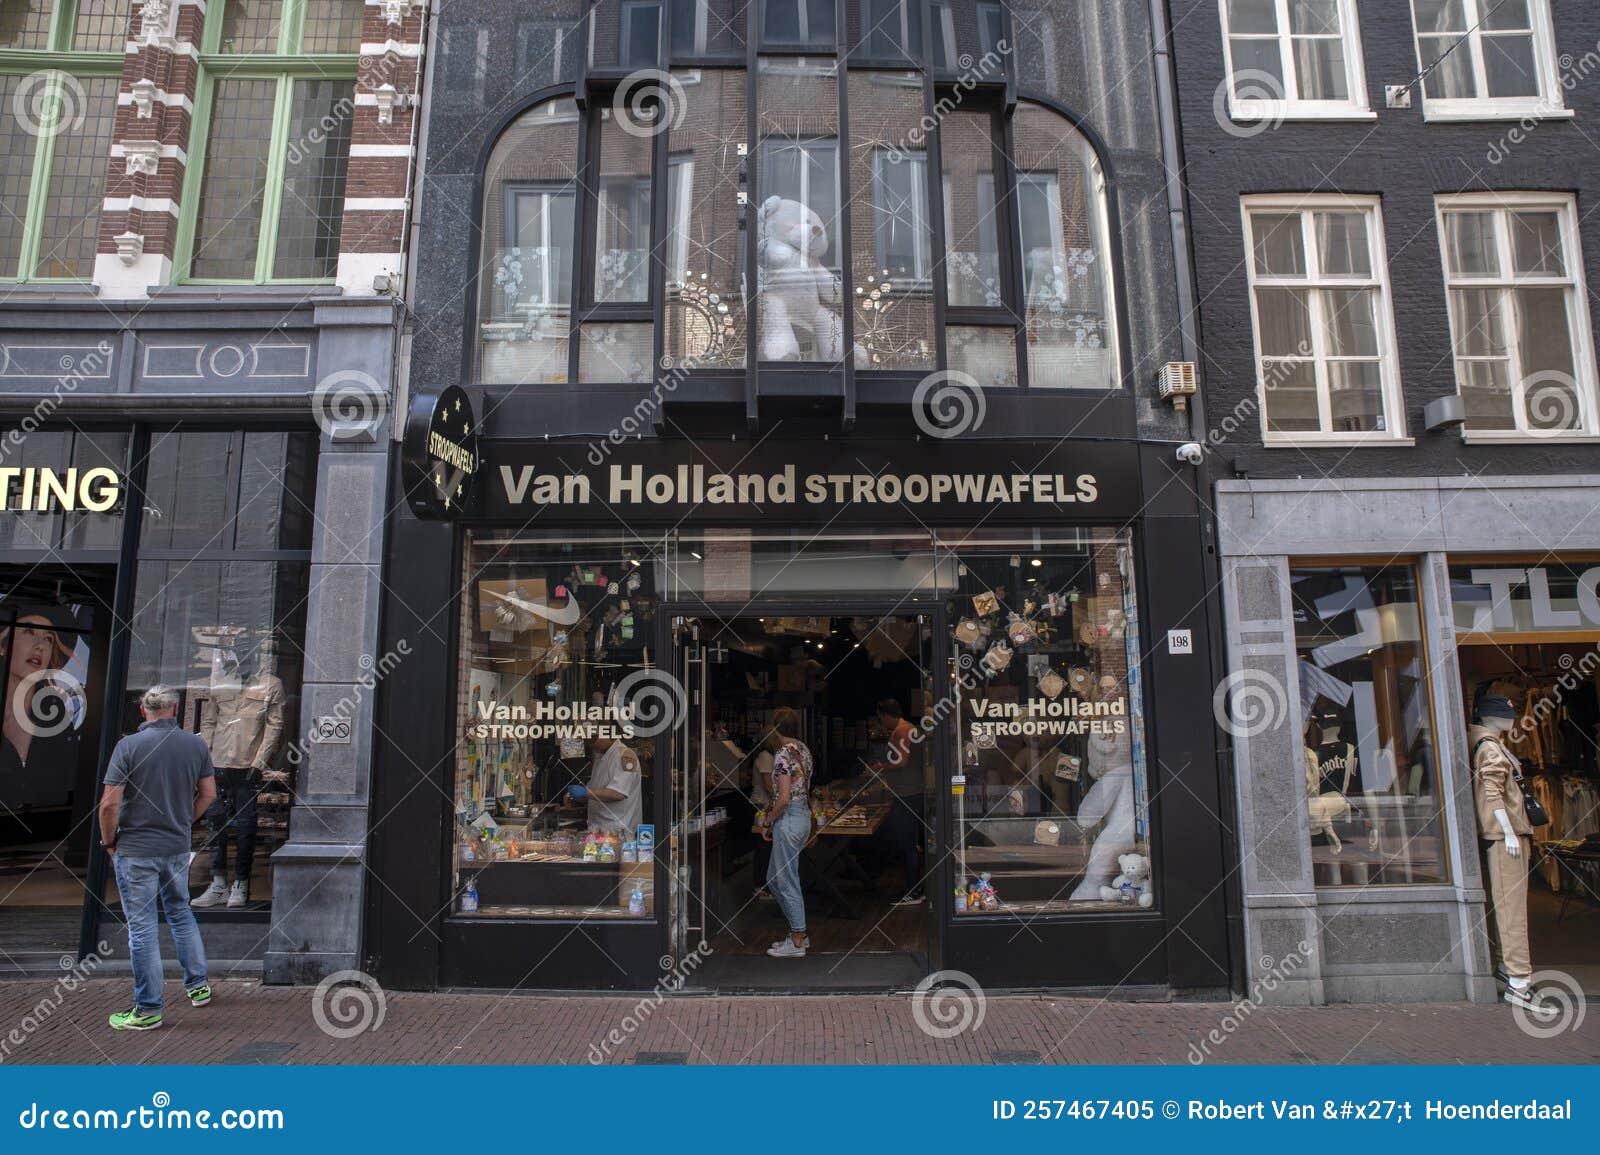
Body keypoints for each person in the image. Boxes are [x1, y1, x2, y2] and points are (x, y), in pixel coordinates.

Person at [97, 685, 217, 1031]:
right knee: (180, 911)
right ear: (175, 710)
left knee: (142, 928)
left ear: (143, 711)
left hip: (136, 848)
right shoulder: (195, 745)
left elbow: (109, 804)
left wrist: (109, 841)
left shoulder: (128, 746)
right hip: (176, 847)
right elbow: (208, 794)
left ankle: (148, 1008)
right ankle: (198, 985)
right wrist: (183, 821)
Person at [0, 607, 86, 813]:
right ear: (3, 645)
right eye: (29, 631)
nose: (40, 645)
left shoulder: (57, 717)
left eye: (48, 639)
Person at [759, 707, 812, 957]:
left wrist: (768, 821)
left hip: (789, 818)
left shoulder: (782, 754)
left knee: (786, 881)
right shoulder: (803, 749)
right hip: (802, 818)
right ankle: (799, 932)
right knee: (774, 878)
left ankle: (798, 939)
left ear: (776, 727)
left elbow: (783, 799)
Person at [874, 698, 926, 905]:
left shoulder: (900, 731)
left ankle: (913, 891)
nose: (882, 723)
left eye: (881, 718)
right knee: (910, 842)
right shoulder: (911, 728)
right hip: (914, 790)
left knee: (907, 843)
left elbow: (902, 761)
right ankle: (915, 887)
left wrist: (882, 767)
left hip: (906, 793)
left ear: (886, 715)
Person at [570, 734, 642, 834]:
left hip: (618, 829)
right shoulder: (600, 756)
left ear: (608, 734)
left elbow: (618, 793)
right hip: (599, 828)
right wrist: (576, 797)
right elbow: (595, 793)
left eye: (593, 739)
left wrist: (585, 792)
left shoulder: (625, 755)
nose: (591, 744)